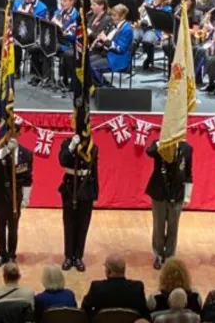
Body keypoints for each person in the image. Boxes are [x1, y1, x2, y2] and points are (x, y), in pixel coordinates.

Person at [0, 127, 33, 268]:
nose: (12, 136)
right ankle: (1, 254)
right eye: (9, 133)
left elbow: (28, 177)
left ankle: (12, 255)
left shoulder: (26, 154)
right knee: (0, 226)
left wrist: (26, 197)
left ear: (19, 134)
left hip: (15, 195)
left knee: (13, 228)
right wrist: (6, 150)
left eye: (15, 133)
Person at [145, 137, 193, 270]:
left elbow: (188, 172)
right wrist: (161, 143)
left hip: (176, 194)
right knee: (159, 225)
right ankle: (159, 255)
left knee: (173, 226)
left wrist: (187, 196)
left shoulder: (186, 148)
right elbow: (149, 152)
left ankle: (170, 256)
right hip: (159, 193)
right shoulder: (159, 145)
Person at [58, 134, 99, 272]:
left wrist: (95, 193)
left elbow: (94, 171)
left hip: (86, 188)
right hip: (70, 188)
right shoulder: (67, 144)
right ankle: (69, 256)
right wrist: (72, 146)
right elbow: (63, 160)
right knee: (69, 223)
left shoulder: (92, 148)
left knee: (83, 224)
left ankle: (78, 256)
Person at [80, 255, 148, 318]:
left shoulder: (97, 287)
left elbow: (85, 309)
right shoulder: (137, 287)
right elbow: (144, 312)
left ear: (109, 271)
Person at [87, 4, 133, 86]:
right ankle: (98, 87)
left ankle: (104, 89)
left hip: (118, 59)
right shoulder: (113, 25)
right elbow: (108, 42)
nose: (112, 17)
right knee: (86, 63)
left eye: (115, 15)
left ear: (122, 16)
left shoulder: (127, 29)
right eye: (112, 15)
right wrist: (99, 42)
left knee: (92, 67)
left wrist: (105, 40)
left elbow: (120, 49)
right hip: (107, 54)